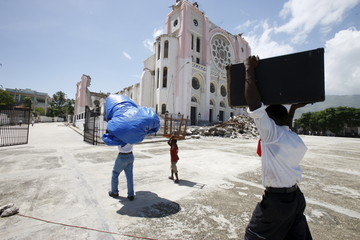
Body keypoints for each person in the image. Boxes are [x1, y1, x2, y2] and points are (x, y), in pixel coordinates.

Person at [243, 55, 312, 240]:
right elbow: (285, 125)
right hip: (295, 199)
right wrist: (293, 108)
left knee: (253, 236)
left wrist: (249, 69)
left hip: (276, 203)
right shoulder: (291, 138)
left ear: (271, 122)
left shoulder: (272, 135)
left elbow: (254, 105)